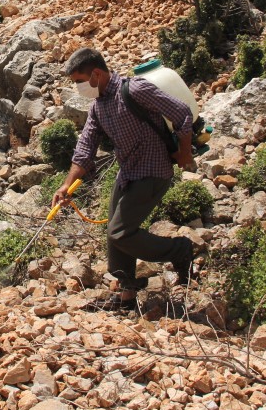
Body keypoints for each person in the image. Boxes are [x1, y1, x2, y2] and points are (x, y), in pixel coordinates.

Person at [52, 47, 195, 310]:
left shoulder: (135, 90)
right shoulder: (98, 106)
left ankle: (180, 250)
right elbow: (85, 147)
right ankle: (127, 295)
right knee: (114, 234)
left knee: (119, 232)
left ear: (96, 74)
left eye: (79, 81)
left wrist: (185, 153)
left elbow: (182, 112)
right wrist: (66, 185)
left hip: (153, 170)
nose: (78, 88)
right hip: (128, 172)